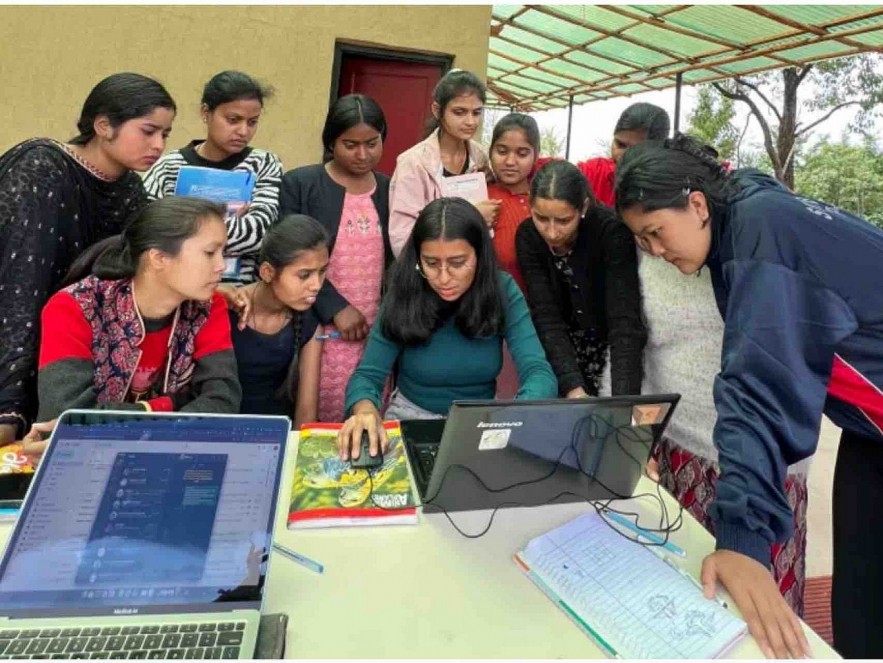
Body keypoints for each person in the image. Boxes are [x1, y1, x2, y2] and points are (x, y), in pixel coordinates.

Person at [615, 133, 883, 659]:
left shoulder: (761, 234)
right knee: (861, 601)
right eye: (641, 242)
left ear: (696, 205)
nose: (655, 252)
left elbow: (758, 386)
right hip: (866, 428)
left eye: (655, 233)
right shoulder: (744, 205)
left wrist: (741, 538)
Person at [0, 72, 176, 445]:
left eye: (165, 134)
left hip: (66, 360)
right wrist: (8, 404)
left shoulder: (129, 190)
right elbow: (18, 289)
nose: (159, 145)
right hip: (13, 353)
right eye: (148, 131)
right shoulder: (41, 168)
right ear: (103, 126)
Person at [338, 197, 557, 459]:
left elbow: (539, 373)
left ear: (479, 255)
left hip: (482, 422)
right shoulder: (404, 290)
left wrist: (513, 418)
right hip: (410, 419)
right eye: (431, 263)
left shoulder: (502, 290)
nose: (443, 278)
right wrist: (364, 412)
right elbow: (367, 377)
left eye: (457, 263)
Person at [35, 197, 240, 430]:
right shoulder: (73, 307)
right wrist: (169, 404)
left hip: (171, 453)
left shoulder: (210, 305)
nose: (222, 266)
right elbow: (66, 417)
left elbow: (223, 402)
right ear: (159, 258)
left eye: (224, 252)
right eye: (210, 253)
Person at [278, 94, 393, 422]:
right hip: (317, 325)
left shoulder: (390, 188)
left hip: (374, 330)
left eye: (372, 143)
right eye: (350, 144)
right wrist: (336, 308)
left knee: (368, 413)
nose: (362, 154)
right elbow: (289, 254)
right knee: (316, 414)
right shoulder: (301, 184)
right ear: (330, 142)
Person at [516, 161, 645, 400]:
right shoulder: (528, 236)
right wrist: (572, 387)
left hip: (614, 353)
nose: (552, 232)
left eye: (564, 220)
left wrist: (623, 403)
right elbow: (546, 316)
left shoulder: (611, 231)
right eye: (541, 218)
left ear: (583, 207)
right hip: (560, 352)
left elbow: (624, 321)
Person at [144, 70, 283, 284]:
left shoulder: (264, 164)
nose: (243, 131)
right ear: (205, 112)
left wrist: (183, 227)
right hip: (177, 293)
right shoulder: (168, 167)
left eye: (252, 122)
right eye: (233, 120)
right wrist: (234, 220)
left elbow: (259, 235)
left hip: (242, 297)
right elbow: (148, 233)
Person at [226, 215, 327, 425]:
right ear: (268, 272)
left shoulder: (309, 323)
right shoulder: (227, 308)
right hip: (221, 431)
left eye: (322, 272)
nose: (316, 285)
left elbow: (306, 411)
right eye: (304, 275)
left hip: (278, 435)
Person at [388, 69, 494, 256]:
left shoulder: (481, 157)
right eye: (459, 112)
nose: (470, 121)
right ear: (437, 110)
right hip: (430, 271)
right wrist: (472, 216)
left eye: (477, 112)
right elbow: (401, 238)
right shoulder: (414, 163)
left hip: (473, 267)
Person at [577, 102, 670, 207]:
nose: (623, 156)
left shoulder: (670, 193)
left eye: (636, 150)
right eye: (620, 144)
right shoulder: (594, 172)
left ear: (657, 152)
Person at [486, 112, 540, 292]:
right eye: (502, 151)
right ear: (490, 151)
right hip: (489, 305)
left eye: (522, 154)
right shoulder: (479, 196)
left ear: (536, 156)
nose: (510, 161)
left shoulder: (544, 200)